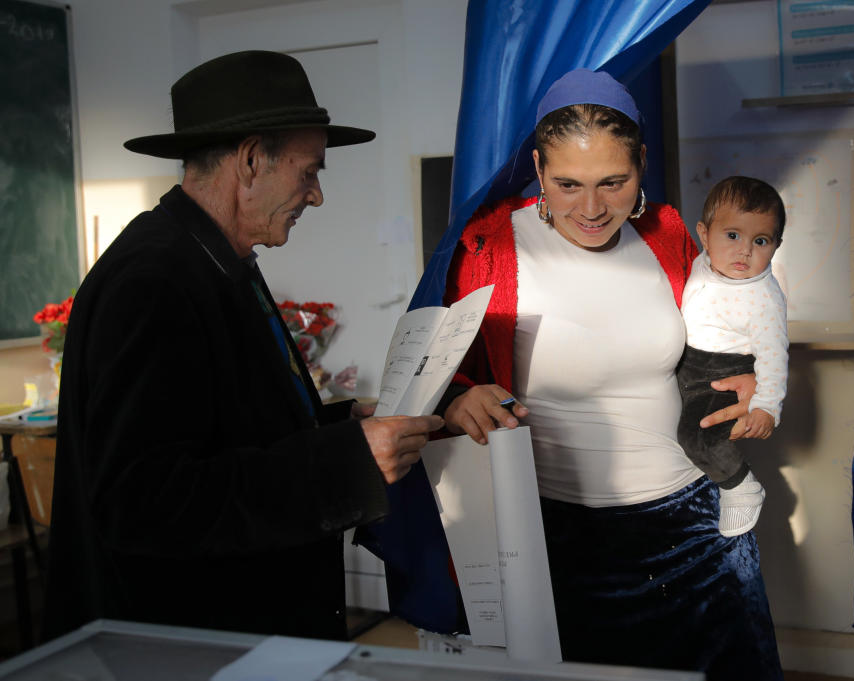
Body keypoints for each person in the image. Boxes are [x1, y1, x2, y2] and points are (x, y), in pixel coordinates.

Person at [42, 51, 443, 641]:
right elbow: (144, 501)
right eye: (310, 172)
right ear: (252, 160)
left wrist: (347, 426)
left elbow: (235, 429)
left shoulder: (218, 261)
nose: (317, 196)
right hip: (189, 648)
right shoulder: (152, 280)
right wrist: (348, 461)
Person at [440, 69, 783, 679]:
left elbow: (734, 309)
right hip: (557, 537)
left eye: (613, 183)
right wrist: (458, 402)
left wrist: (748, 372)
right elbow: (452, 375)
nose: (592, 208)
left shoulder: (669, 232)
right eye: (568, 184)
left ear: (642, 164)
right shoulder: (490, 244)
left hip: (695, 523)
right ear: (539, 169)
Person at [677, 176, 789, 537]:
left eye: (760, 241)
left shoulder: (764, 299)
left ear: (776, 246)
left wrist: (767, 406)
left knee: (699, 438)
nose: (744, 251)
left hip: (725, 371)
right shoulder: (701, 263)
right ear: (704, 235)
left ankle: (741, 487)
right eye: (732, 235)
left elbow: (774, 357)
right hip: (689, 364)